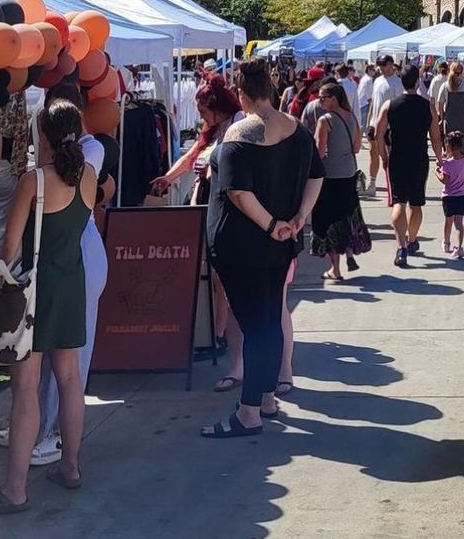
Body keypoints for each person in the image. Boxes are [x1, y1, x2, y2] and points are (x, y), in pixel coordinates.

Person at [0, 99, 99, 516]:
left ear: (40, 133)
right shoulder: (90, 176)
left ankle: (15, 488)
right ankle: (72, 467)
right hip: (71, 282)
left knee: (25, 389)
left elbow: (8, 249)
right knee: (70, 378)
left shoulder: (34, 181)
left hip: (36, 289)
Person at [203, 58, 324, 439]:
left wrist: (272, 225)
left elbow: (239, 193)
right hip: (279, 244)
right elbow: (316, 176)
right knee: (269, 321)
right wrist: (300, 216)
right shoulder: (297, 130)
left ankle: (249, 410)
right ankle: (267, 397)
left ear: (242, 94)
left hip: (245, 246)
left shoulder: (240, 133)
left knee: (257, 326)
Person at [150, 75, 244, 393]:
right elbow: (191, 158)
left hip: (222, 211)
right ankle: (213, 334)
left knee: (220, 279)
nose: (200, 114)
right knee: (211, 276)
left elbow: (235, 168)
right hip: (204, 206)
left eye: (203, 109)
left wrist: (211, 171)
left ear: (217, 108)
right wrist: (168, 177)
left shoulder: (237, 127)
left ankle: (219, 335)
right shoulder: (214, 130)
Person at [376, 63, 438, 268]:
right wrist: (440, 159)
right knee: (417, 203)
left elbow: (378, 134)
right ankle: (412, 240)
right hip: (419, 158)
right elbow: (436, 138)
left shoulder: (390, 105)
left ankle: (401, 246)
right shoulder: (427, 106)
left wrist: (384, 156)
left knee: (398, 202)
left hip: (398, 158)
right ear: (417, 81)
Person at [311, 80, 371, 281]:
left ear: (333, 98)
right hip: (348, 173)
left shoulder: (325, 120)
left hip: (329, 176)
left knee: (329, 220)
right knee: (346, 215)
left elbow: (319, 152)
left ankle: (335, 269)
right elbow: (356, 148)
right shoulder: (352, 116)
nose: (319, 100)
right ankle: (350, 253)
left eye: (323, 97)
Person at [367, 55, 403, 197]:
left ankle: (393, 185)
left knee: (388, 157)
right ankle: (372, 183)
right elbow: (373, 101)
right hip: (374, 123)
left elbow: (399, 106)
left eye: (383, 64)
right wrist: (369, 120)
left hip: (389, 126)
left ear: (390, 65)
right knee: (373, 153)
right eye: (379, 64)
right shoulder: (377, 80)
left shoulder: (397, 83)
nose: (380, 67)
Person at [436, 130, 464, 258]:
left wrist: (437, 171)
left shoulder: (447, 164)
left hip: (449, 196)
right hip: (462, 195)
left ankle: (446, 242)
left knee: (448, 221)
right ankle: (459, 247)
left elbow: (444, 180)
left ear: (448, 147)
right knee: (459, 223)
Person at [434, 62, 464, 165]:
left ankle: (451, 169)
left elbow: (440, 105)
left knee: (450, 145)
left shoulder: (445, 86)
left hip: (449, 120)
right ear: (462, 72)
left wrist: (443, 119)